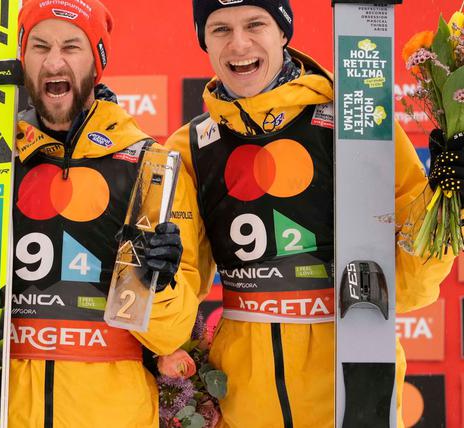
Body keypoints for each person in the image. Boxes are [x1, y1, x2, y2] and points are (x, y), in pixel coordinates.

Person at [166, 1, 461, 427]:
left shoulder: (356, 119)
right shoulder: (189, 147)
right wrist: (151, 277)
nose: (239, 44)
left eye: (255, 24)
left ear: (283, 32)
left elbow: (411, 284)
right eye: (220, 29)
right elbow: (180, 292)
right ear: (203, 41)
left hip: (352, 391)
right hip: (243, 403)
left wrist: (446, 200)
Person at [7, 1, 199, 426]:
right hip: (6, 408)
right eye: (40, 46)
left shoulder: (151, 166)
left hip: (113, 412)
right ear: (23, 56)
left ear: (97, 60)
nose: (54, 61)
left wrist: (160, 284)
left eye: (72, 47)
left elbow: (172, 334)